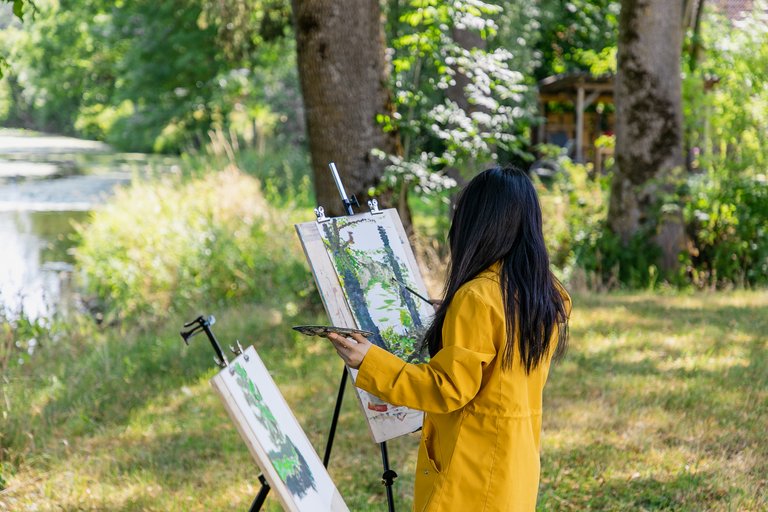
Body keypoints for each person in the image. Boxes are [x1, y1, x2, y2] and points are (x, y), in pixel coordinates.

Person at [327, 165, 571, 512]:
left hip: (471, 476)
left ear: (477, 225)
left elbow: (447, 389)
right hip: (514, 468)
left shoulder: (477, 297)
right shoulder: (546, 293)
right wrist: (454, 317)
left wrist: (369, 360)